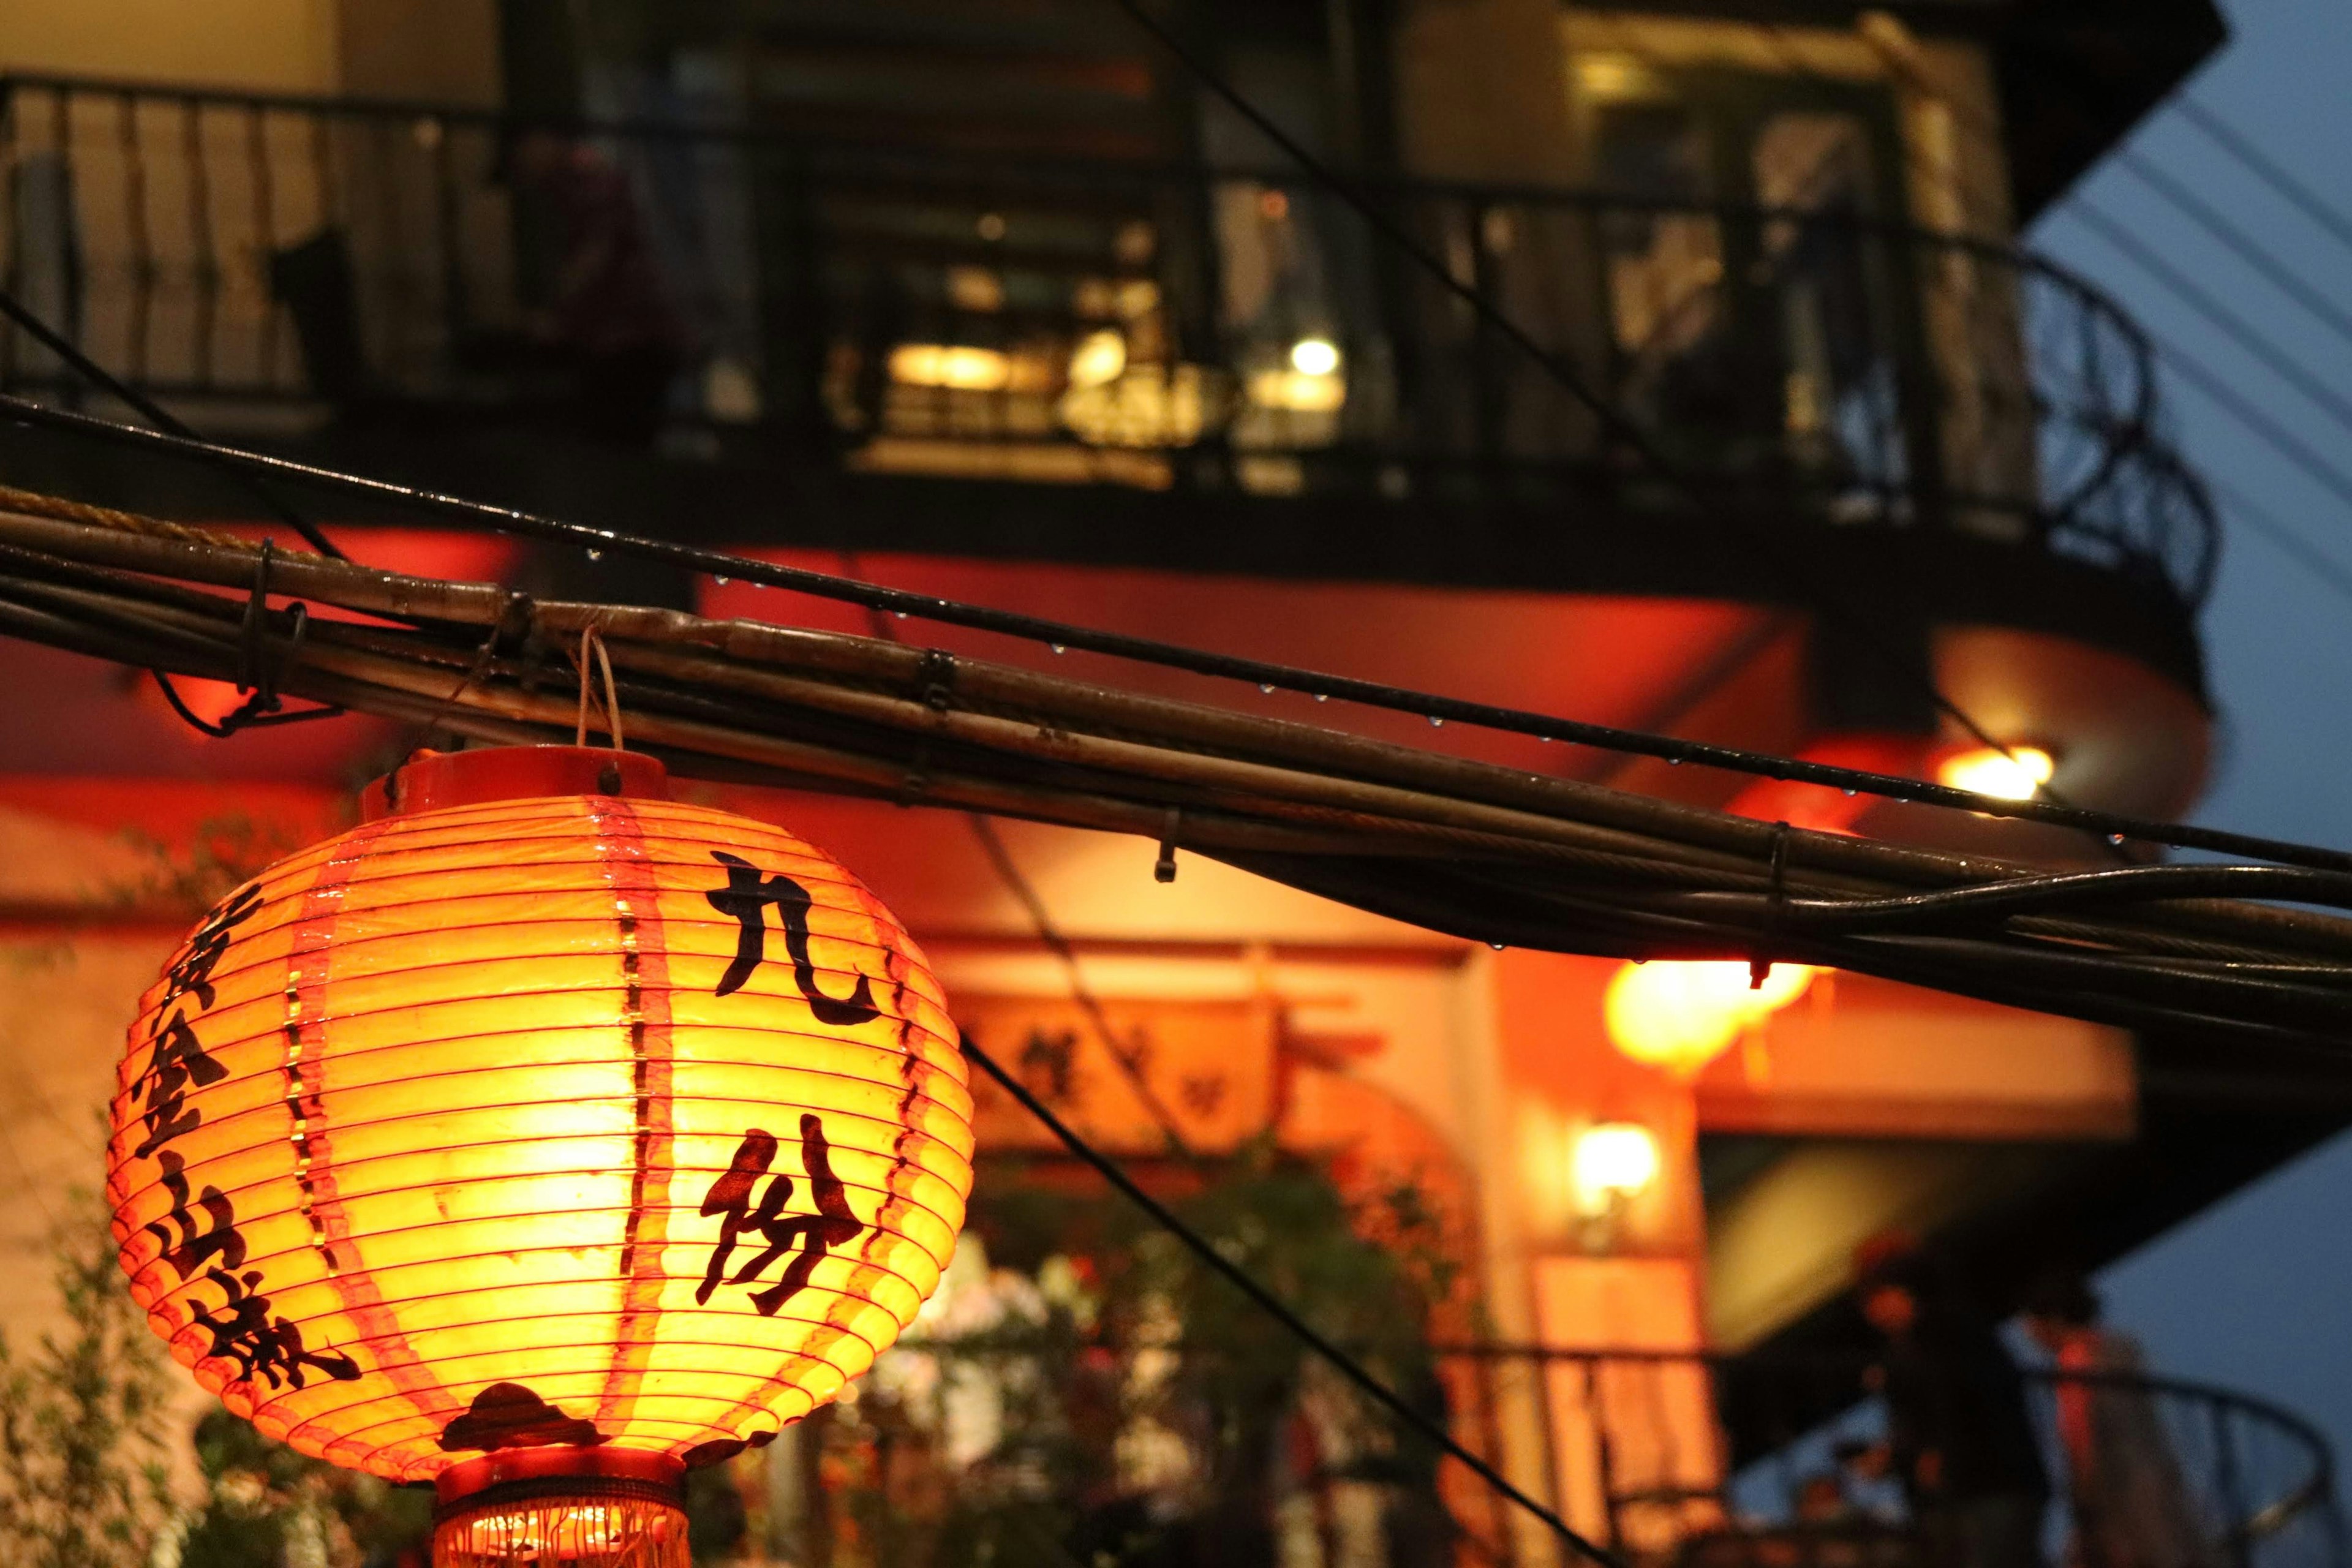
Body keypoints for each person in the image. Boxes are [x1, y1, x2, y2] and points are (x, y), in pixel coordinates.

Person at [1854, 1245, 2049, 1568]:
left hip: (1985, 1487)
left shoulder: (1941, 1335)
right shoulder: (1947, 1333)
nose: (1873, 1314)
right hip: (1995, 1486)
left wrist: (1936, 1455)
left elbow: (1957, 1404)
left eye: (1874, 1300)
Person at [491, 127, 687, 444]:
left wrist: (561, 315)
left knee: (622, 442)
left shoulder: (586, 179)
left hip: (629, 338)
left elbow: (595, 256)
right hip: (619, 338)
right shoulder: (569, 184)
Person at [2021, 1270, 2214, 1568]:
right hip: (2158, 1482)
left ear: (2054, 1318)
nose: (2029, 1334)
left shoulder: (2077, 1365)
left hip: (2119, 1496)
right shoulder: (2122, 1351)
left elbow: (2084, 1436)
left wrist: (2083, 1502)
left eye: (2032, 1323)